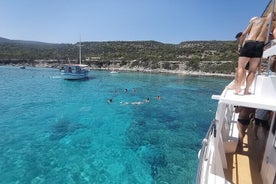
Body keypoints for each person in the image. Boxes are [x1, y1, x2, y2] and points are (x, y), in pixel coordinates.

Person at [235, 13, 276, 95]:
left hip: (249, 43)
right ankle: (246, 91)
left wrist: (240, 46)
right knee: (253, 71)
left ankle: (238, 89)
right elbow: (274, 35)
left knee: (241, 67)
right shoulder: (273, 24)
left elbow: (243, 34)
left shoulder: (255, 20)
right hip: (260, 45)